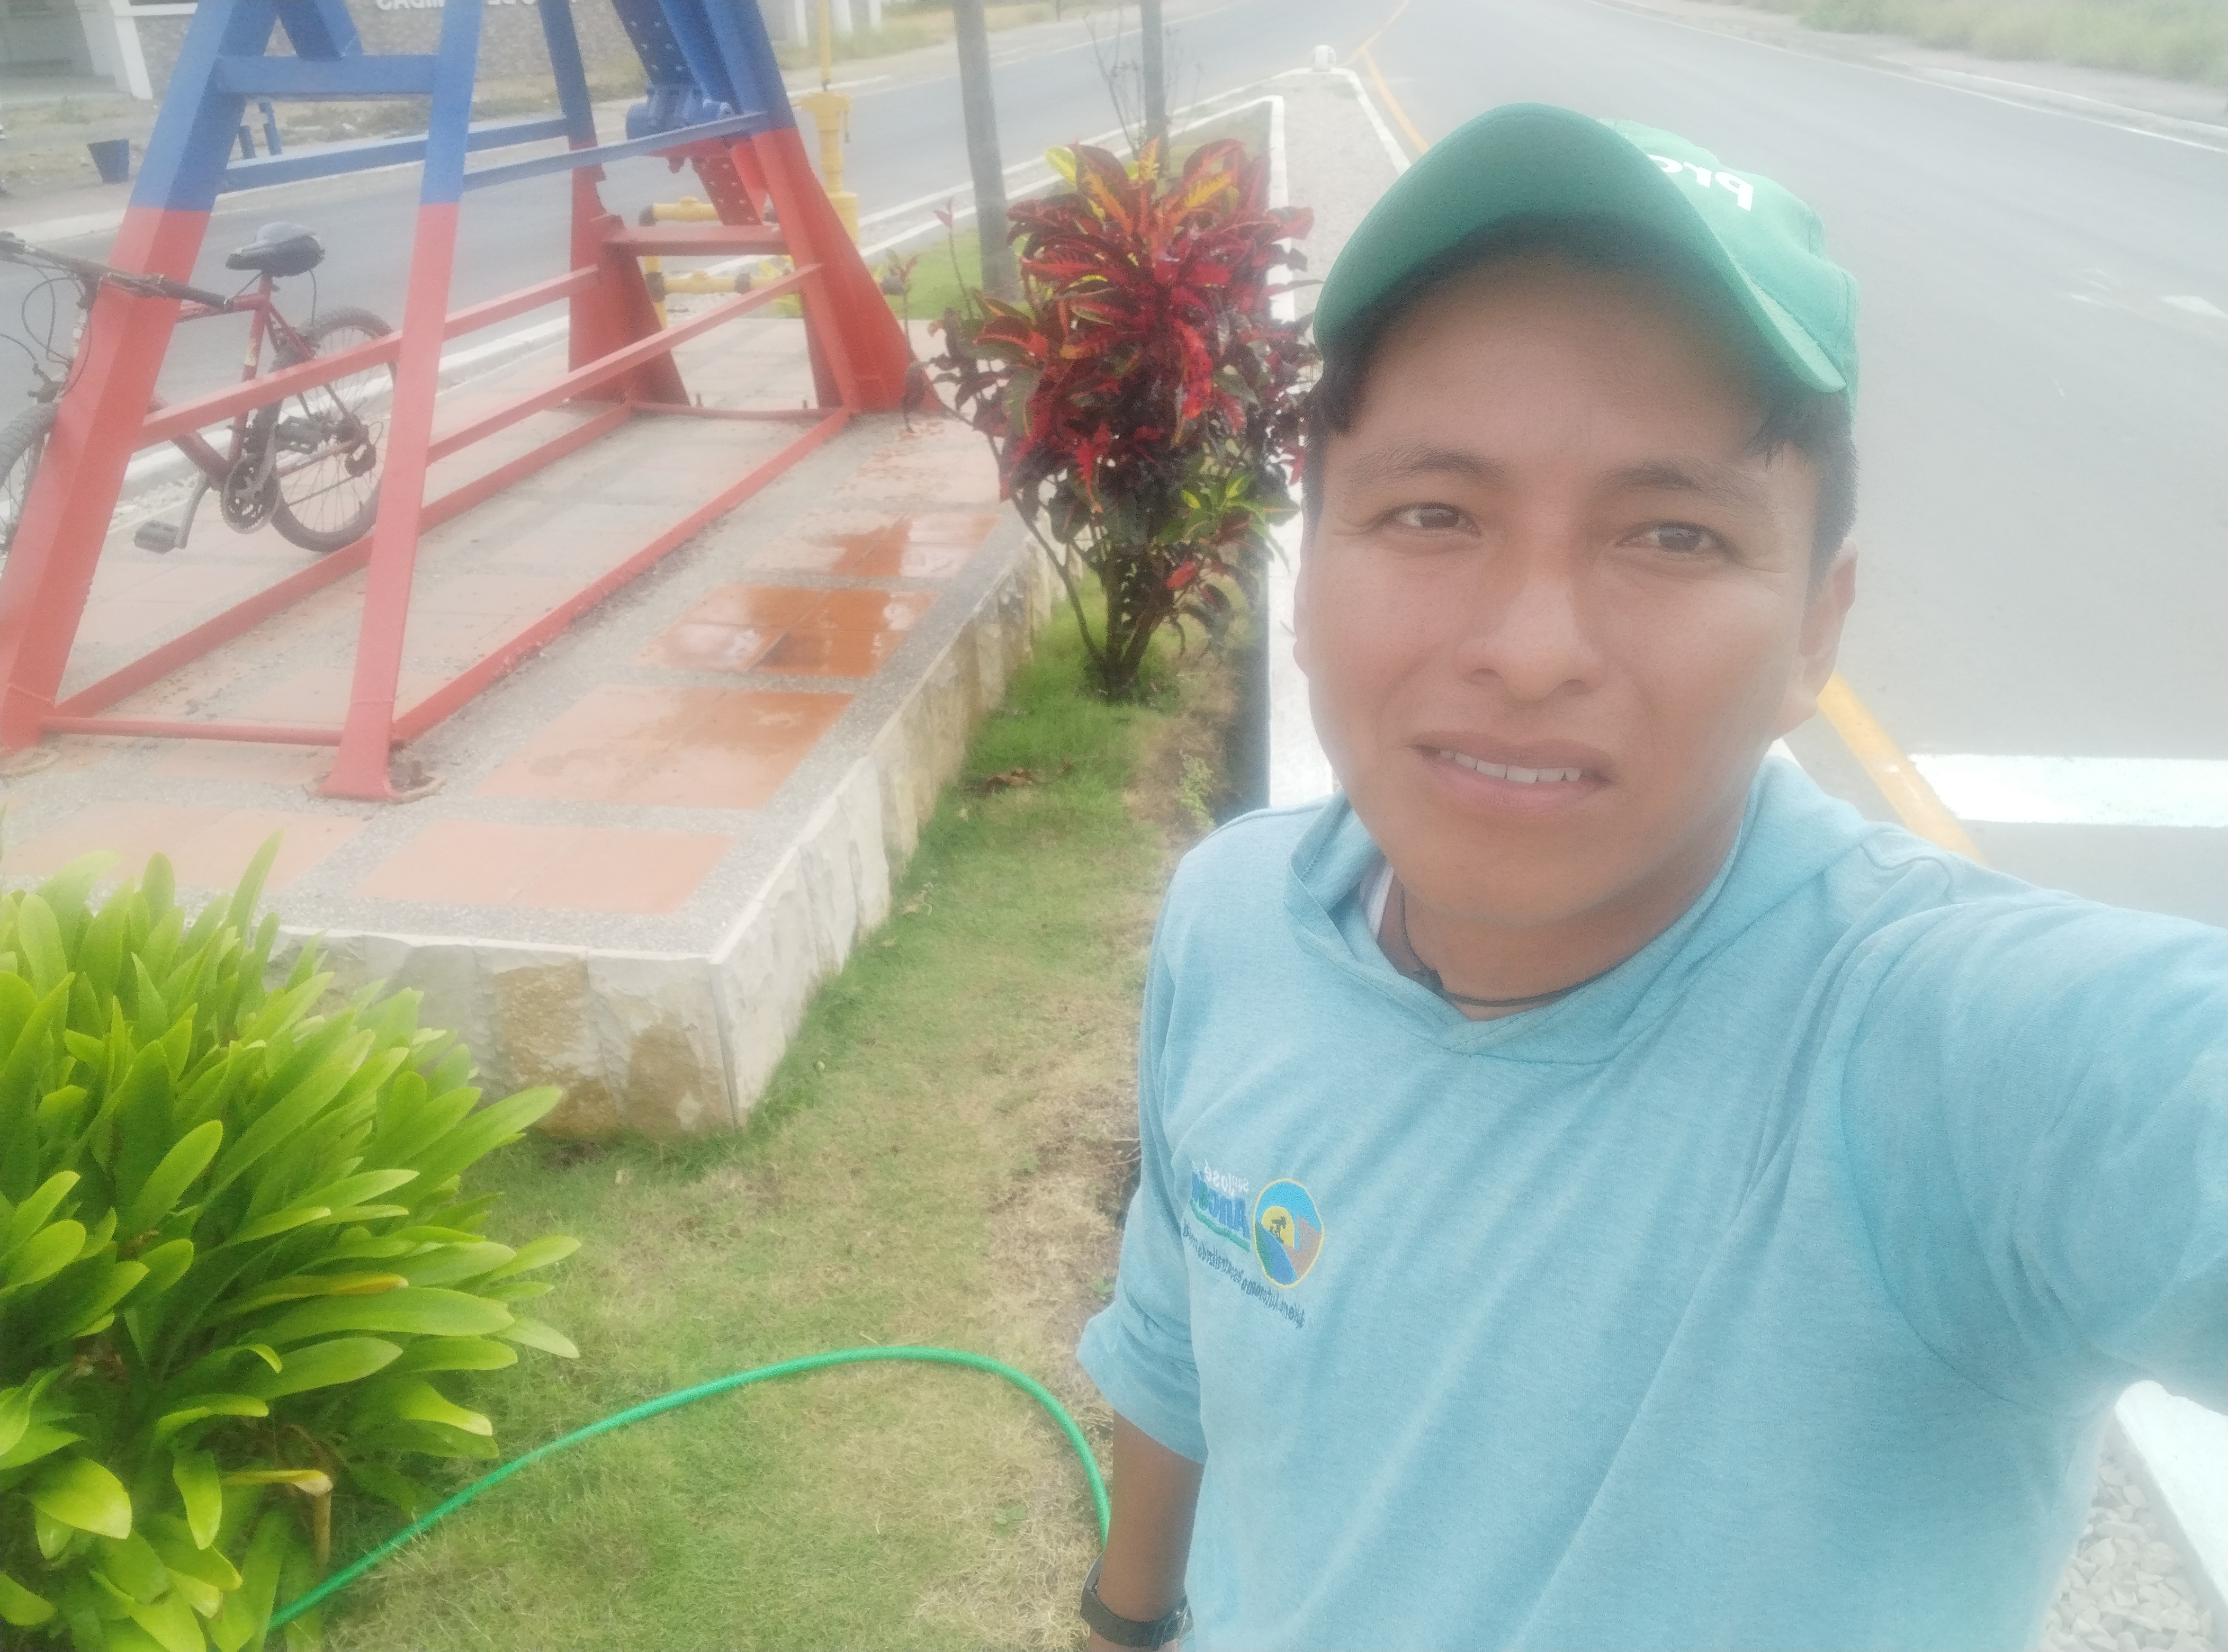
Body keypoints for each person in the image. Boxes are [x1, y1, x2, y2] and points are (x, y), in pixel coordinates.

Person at [1072, 103, 2225, 1651]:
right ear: (1312, 558)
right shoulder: (1231, 920)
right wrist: (1125, 1621)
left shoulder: (1938, 1055)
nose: (1531, 650)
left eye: (1673, 536)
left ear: (1816, 628)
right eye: (1433, 514)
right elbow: (1175, 1347)